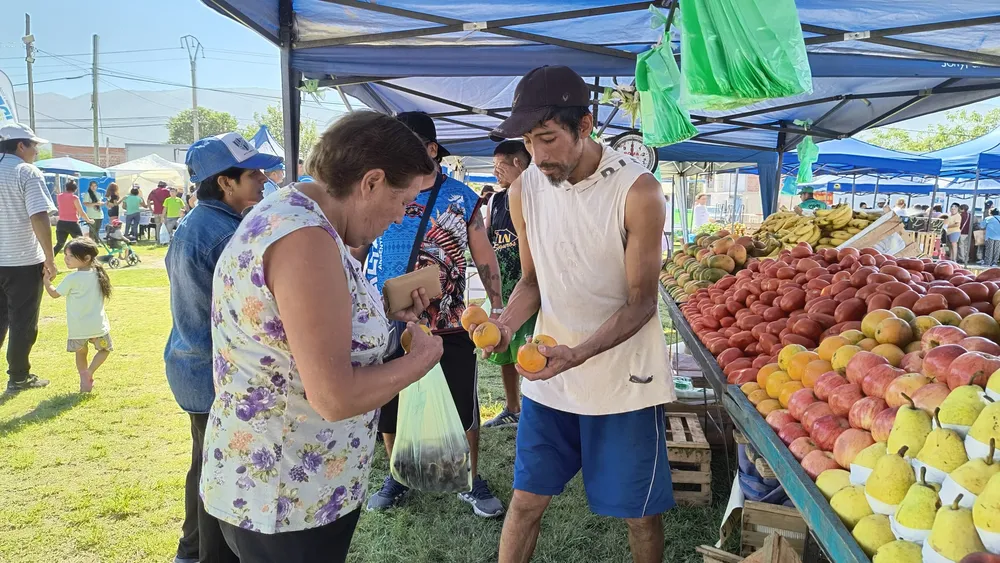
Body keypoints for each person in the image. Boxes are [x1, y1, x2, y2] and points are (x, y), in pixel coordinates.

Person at [200, 113, 442, 562]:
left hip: (286, 485)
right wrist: (420, 361)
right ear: (371, 182)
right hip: (286, 494)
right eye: (404, 201)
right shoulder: (305, 239)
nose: (400, 216)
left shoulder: (297, 214)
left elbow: (294, 332)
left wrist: (384, 312)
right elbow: (333, 397)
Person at [484, 65, 676, 563]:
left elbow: (642, 301)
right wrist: (505, 324)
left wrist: (580, 353)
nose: (538, 155)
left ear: (585, 126)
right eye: (528, 141)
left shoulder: (639, 192)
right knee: (525, 502)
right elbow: (531, 281)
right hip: (549, 377)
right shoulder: (523, 189)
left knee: (640, 515)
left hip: (622, 380)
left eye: (548, 138)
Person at [359, 111, 506, 518]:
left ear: (430, 149)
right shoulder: (381, 190)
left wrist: (496, 305)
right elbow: (359, 246)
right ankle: (397, 474)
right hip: (386, 319)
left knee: (463, 405)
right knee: (389, 402)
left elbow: (484, 256)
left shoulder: (461, 196)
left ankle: (471, 477)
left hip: (450, 324)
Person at [164, 132, 282, 563]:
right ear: (225, 182)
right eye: (253, 174)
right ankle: (203, 552)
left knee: (207, 462)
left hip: (194, 362)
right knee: (219, 471)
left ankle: (192, 550)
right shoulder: (222, 233)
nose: (265, 180)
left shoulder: (204, 223)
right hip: (212, 370)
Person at [0, 122, 55, 393]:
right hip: (21, 260)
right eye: (34, 145)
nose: (36, 151)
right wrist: (50, 257)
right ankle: (19, 376)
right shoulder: (26, 172)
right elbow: (39, 215)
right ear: (21, 145)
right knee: (22, 320)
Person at [483, 140, 532, 429]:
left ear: (517, 163)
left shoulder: (538, 194)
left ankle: (536, 410)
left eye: (499, 167)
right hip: (503, 286)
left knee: (531, 348)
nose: (495, 174)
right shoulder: (495, 200)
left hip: (530, 287)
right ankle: (512, 407)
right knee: (502, 350)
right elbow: (489, 241)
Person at [43, 237, 112, 393]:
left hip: (78, 328)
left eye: (70, 256)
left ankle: (83, 375)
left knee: (81, 353)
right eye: (65, 255)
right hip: (97, 326)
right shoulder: (99, 274)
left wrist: (46, 281)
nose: (66, 259)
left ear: (86, 258)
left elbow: (54, 294)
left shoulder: (72, 279)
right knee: (104, 350)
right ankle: (90, 372)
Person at [54, 180, 93, 254]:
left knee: (59, 244)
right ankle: (83, 259)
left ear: (66, 187)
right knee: (80, 243)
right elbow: (81, 212)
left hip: (61, 223)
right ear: (75, 189)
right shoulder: (74, 198)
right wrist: (88, 220)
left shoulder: (59, 196)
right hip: (72, 224)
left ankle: (48, 260)